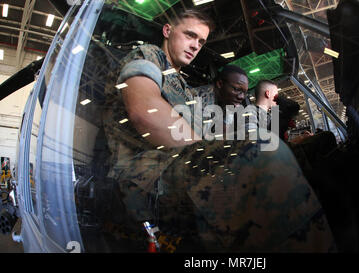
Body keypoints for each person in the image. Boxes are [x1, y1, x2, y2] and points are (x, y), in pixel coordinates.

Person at [103, 9, 335, 252]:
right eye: (190, 36)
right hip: (147, 179)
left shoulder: (185, 89)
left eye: (201, 41)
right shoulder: (149, 57)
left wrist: (245, 140)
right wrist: (212, 151)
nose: (195, 46)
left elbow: (218, 130)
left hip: (177, 171)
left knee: (273, 148)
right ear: (167, 31)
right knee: (263, 154)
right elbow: (145, 110)